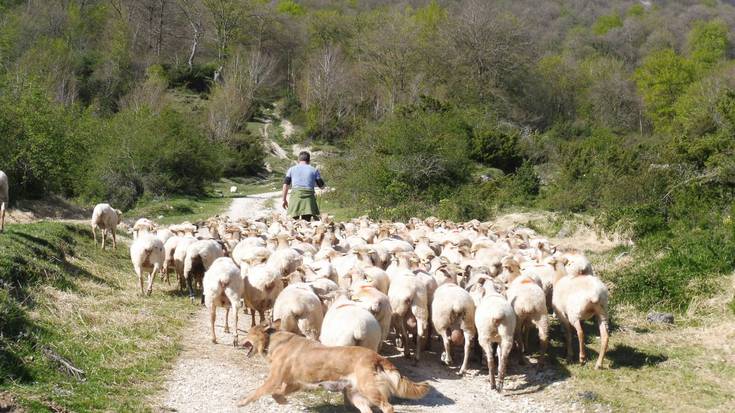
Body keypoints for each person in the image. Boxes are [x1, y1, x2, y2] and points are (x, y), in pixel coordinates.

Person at [282, 151, 325, 221]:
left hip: (296, 198)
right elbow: (322, 186)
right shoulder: (314, 170)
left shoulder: (291, 169)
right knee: (307, 222)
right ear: (309, 160)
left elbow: (285, 185)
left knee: (294, 221)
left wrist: (284, 200)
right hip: (309, 200)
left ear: (298, 160)